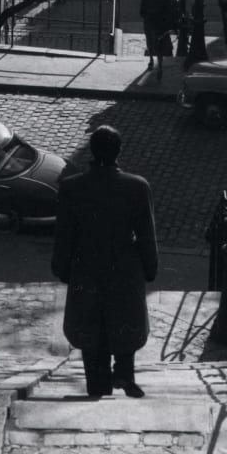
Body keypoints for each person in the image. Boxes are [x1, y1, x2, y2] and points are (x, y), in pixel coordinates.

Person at [51, 125, 159, 398]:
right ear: (118, 151)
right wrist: (150, 267)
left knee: (91, 330)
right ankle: (124, 373)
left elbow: (64, 234)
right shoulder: (137, 186)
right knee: (124, 321)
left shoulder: (72, 187)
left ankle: (98, 387)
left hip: (86, 266)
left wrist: (62, 268)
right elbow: (146, 234)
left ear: (92, 150)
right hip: (124, 267)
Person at [139, 0, 174, 78]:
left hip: (158, 26)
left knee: (158, 46)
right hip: (150, 25)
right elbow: (142, 12)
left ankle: (159, 65)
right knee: (150, 44)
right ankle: (152, 60)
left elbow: (169, 12)